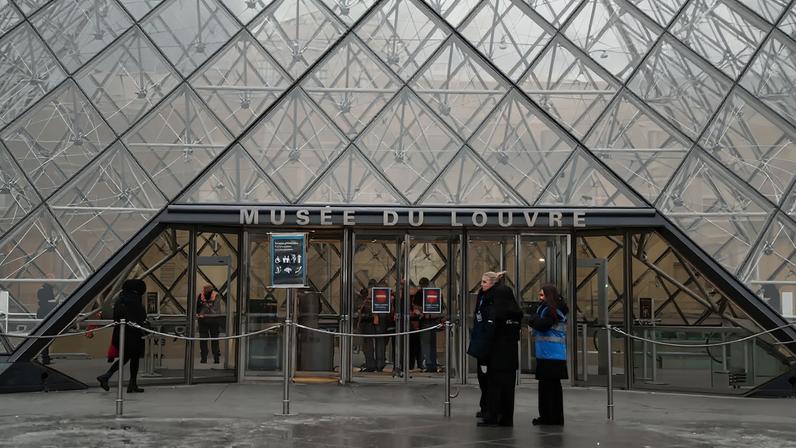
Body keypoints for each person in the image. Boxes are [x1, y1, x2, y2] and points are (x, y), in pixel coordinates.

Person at [471, 271, 522, 427]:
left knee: (494, 387)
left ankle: (492, 416)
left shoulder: (496, 314)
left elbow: (491, 335)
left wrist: (485, 356)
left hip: (496, 357)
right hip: (510, 358)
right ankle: (506, 418)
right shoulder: (515, 314)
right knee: (508, 390)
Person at [97, 279, 148, 393]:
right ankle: (126, 382)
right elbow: (141, 316)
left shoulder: (121, 298)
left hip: (121, 333)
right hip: (133, 334)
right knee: (132, 358)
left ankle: (128, 382)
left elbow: (116, 316)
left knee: (127, 357)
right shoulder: (134, 299)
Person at [529, 284, 568, 426]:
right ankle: (553, 417)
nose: (539, 298)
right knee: (551, 389)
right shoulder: (555, 310)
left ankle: (549, 417)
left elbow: (541, 324)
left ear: (548, 296)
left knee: (548, 389)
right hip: (552, 355)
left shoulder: (551, 311)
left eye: (541, 295)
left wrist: (533, 319)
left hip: (550, 355)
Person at [196, 284, 223, 364]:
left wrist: (206, 307)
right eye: (204, 288)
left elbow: (215, 309)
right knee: (203, 339)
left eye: (207, 288)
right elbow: (197, 308)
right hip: (203, 320)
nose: (205, 290)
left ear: (211, 289)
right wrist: (206, 307)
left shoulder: (216, 296)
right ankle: (204, 358)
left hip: (213, 320)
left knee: (214, 339)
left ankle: (216, 357)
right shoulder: (201, 295)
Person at [36, 279, 56, 365]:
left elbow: (42, 302)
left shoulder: (43, 290)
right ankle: (45, 357)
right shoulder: (47, 290)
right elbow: (45, 303)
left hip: (43, 314)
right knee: (45, 336)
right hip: (46, 314)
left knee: (44, 336)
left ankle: (44, 357)